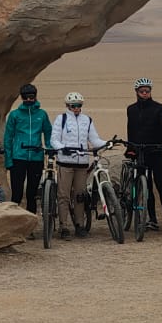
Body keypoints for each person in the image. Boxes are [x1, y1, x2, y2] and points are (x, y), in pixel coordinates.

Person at [50, 91, 105, 239]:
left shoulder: (87, 120)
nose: (76, 108)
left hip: (82, 162)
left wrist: (107, 143)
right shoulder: (61, 119)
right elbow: (54, 139)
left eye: (79, 105)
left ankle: (79, 225)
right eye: (73, 105)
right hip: (65, 162)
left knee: (80, 195)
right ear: (67, 105)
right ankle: (63, 226)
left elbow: (95, 139)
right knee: (63, 196)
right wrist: (61, 147)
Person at [125, 77, 162, 232]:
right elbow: (131, 130)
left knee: (161, 184)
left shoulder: (159, 108)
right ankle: (151, 219)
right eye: (142, 91)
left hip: (156, 151)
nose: (145, 93)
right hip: (140, 152)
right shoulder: (131, 109)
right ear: (136, 92)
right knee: (146, 187)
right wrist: (130, 147)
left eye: (147, 91)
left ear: (150, 92)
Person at [2, 83, 52, 210]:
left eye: (31, 97)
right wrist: (8, 160)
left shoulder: (42, 114)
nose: (29, 100)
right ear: (22, 97)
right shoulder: (15, 115)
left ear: (35, 96)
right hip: (18, 157)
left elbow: (48, 133)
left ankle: (31, 226)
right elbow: (8, 137)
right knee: (17, 194)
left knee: (32, 194)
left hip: (36, 157)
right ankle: (14, 222)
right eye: (26, 97)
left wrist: (49, 149)